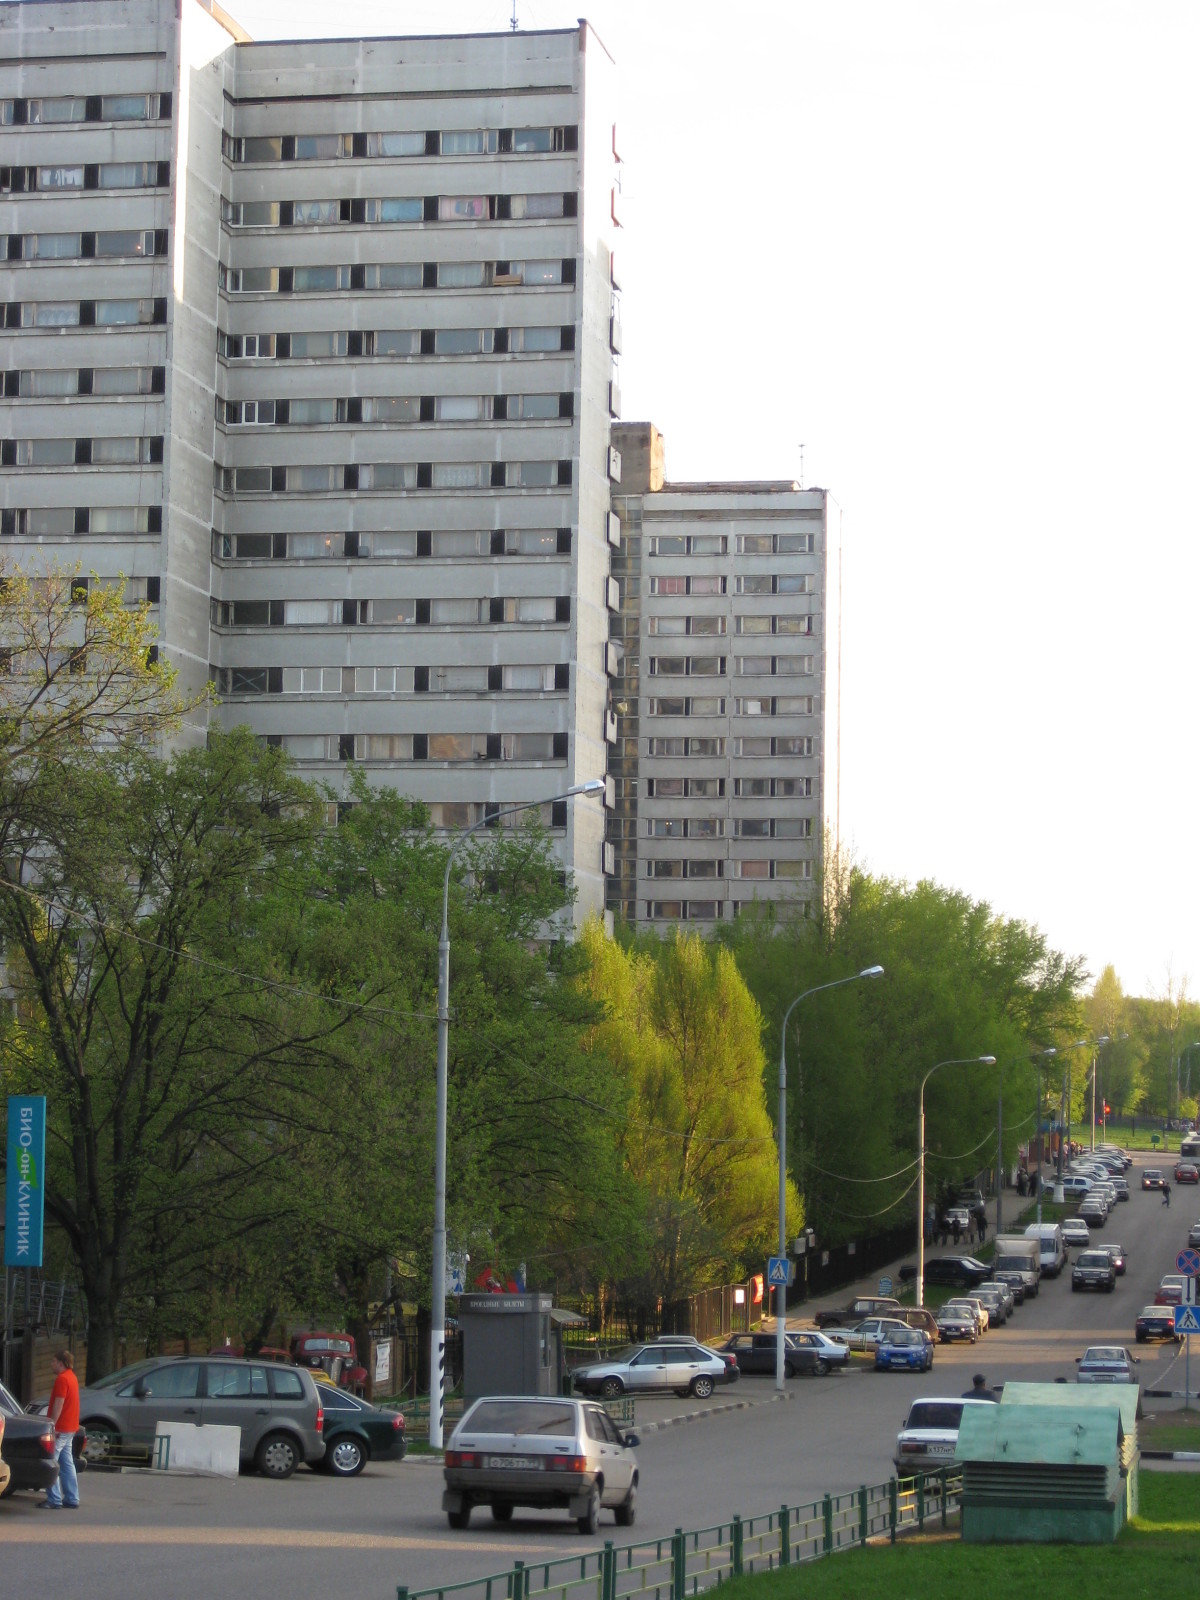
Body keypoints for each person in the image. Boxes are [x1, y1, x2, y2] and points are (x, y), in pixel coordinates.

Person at [43, 1348, 80, 1508]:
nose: (51, 1364)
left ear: (60, 1363)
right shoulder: (72, 1377)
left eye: (53, 1361)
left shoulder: (62, 1379)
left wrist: (51, 1424)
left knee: (50, 1461)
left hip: (60, 1427)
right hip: (70, 1427)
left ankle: (54, 1499)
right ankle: (72, 1498)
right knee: (67, 1463)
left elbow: (59, 1403)